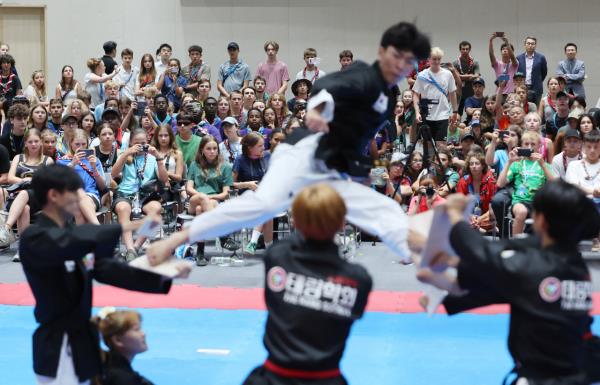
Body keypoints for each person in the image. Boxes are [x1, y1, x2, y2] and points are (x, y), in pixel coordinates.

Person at [147, 21, 431, 267]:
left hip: (331, 166)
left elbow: (354, 138)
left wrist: (360, 169)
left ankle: (425, 260)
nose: (400, 65)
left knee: (383, 210)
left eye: (408, 61)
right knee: (264, 205)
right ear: (382, 52)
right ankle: (178, 239)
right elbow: (328, 87)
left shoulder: (389, 99)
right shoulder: (362, 74)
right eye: (396, 55)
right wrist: (318, 109)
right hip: (302, 152)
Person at [415, 179, 599, 385]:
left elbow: (484, 254)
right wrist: (446, 294)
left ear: (541, 221)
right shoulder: (574, 265)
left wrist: (455, 218)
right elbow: (517, 281)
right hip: (578, 370)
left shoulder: (535, 268)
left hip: (544, 378)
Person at [20, 164, 189, 385]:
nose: (80, 198)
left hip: (83, 344)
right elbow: (73, 241)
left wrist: (164, 275)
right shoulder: (35, 237)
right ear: (53, 195)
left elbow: (107, 269)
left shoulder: (73, 238)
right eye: (74, 192)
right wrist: (132, 225)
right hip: (56, 345)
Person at [241, 184, 371, 385]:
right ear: (342, 223)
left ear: (296, 222)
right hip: (326, 379)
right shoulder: (358, 280)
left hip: (273, 379)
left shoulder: (277, 257)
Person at [111, 129, 168, 261]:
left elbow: (164, 178)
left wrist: (159, 157)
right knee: (122, 209)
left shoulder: (153, 157)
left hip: (147, 194)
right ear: (131, 142)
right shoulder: (125, 154)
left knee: (156, 210)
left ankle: (136, 247)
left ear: (148, 142)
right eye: (137, 143)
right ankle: (130, 249)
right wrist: (126, 154)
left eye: (143, 143)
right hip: (126, 192)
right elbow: (114, 174)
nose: (141, 146)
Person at [0, 128, 53, 259]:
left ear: (41, 142)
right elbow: (10, 178)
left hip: (39, 197)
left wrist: (33, 182)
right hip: (17, 196)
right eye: (30, 142)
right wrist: (26, 180)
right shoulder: (18, 158)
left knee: (24, 193)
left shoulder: (48, 160)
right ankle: (22, 248)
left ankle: (6, 228)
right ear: (26, 144)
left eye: (36, 141)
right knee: (24, 208)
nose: (33, 144)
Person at [186, 135, 235, 265]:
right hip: (194, 199)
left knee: (200, 210)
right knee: (200, 200)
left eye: (215, 148)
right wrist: (203, 196)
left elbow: (225, 194)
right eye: (209, 149)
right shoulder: (194, 165)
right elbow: (189, 189)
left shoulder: (225, 166)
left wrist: (208, 198)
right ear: (202, 150)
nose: (212, 151)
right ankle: (223, 236)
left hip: (213, 202)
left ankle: (200, 253)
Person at [497, 131, 556, 235]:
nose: (529, 147)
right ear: (521, 146)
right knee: (521, 212)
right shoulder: (517, 164)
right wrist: (509, 162)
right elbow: (500, 184)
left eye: (533, 144)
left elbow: (555, 184)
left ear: (539, 146)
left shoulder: (544, 164)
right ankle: (517, 245)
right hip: (520, 201)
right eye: (526, 144)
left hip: (539, 202)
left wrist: (543, 165)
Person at [93, 308, 154, 385]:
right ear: (117, 340)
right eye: (136, 329)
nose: (143, 334)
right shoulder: (123, 379)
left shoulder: (106, 367)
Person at [412, 47, 459, 147]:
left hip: (442, 115)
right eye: (434, 59)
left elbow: (452, 93)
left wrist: (454, 111)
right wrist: (417, 112)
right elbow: (415, 93)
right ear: (429, 59)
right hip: (426, 116)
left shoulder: (448, 74)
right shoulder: (422, 75)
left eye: (439, 59)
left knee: (441, 145)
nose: (437, 61)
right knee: (428, 146)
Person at [57, 129, 106, 225]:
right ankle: (97, 228)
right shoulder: (62, 161)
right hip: (68, 198)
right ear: (71, 144)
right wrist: (73, 164)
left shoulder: (94, 160)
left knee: (81, 202)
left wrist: (94, 168)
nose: (81, 147)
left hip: (91, 196)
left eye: (84, 144)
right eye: (77, 144)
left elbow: (102, 186)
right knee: (79, 208)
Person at [566, 130, 600, 251]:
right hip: (580, 201)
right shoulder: (574, 165)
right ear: (584, 147)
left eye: (596, 147)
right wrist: (593, 192)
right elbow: (573, 186)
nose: (592, 150)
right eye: (589, 147)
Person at [456, 151, 497, 232]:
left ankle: (479, 228)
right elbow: (460, 205)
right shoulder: (463, 181)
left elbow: (493, 208)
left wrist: (480, 219)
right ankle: (479, 228)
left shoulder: (490, 181)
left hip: (486, 217)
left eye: (477, 163)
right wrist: (471, 217)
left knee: (493, 216)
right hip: (468, 216)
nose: (474, 166)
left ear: (482, 166)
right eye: (471, 164)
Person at [452, 41, 480, 117]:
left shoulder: (475, 62)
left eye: (467, 49)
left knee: (472, 114)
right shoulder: (455, 63)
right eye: (463, 49)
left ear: (469, 50)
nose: (465, 51)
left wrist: (462, 77)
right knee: (457, 114)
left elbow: (477, 75)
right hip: (459, 92)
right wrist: (470, 76)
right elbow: (457, 76)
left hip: (471, 92)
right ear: (460, 50)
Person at [516, 36, 548, 104]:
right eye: (528, 43)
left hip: (536, 88)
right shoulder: (518, 58)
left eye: (532, 44)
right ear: (525, 44)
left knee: (535, 109)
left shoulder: (541, 57)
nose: (530, 45)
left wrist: (538, 80)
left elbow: (544, 72)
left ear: (535, 45)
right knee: (522, 108)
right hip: (522, 88)